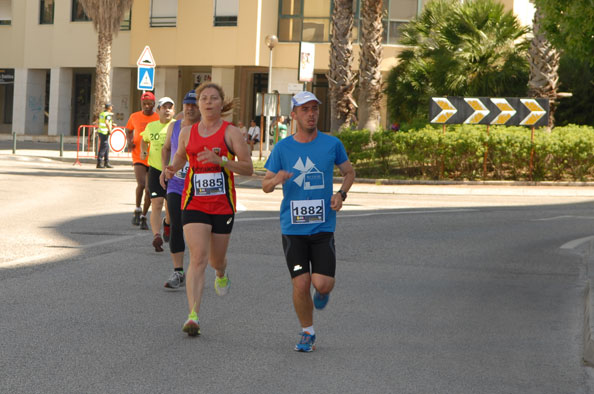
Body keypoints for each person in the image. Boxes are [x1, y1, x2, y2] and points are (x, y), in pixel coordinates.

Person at [262, 91, 355, 352]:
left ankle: (323, 292)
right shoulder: (282, 148)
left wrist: (341, 194)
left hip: (323, 225)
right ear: (294, 115)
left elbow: (349, 172)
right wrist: (276, 179)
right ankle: (307, 331)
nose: (311, 113)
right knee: (301, 282)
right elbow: (265, 186)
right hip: (293, 228)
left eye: (314, 108)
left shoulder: (331, 144)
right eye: (305, 109)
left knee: (321, 283)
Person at [163, 82, 253, 337]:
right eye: (203, 98)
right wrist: (171, 168)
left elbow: (247, 168)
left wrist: (222, 161)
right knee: (199, 257)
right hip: (194, 201)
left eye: (213, 98)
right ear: (198, 103)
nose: (208, 102)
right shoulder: (187, 133)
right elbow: (181, 156)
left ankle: (222, 273)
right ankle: (193, 315)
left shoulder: (231, 132)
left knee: (216, 260)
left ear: (221, 104)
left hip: (222, 204)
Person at [159, 90, 200, 289]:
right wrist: (163, 169)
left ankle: (198, 268)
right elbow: (166, 148)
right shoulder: (174, 127)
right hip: (176, 183)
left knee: (194, 229)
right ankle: (178, 272)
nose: (190, 108)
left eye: (194, 104)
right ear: (183, 106)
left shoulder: (205, 129)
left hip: (198, 187)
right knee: (176, 224)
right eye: (187, 104)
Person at [141, 97, 175, 252]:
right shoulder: (151, 126)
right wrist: (143, 150)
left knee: (170, 206)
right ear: (158, 110)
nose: (167, 109)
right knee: (157, 203)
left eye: (170, 107)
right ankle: (156, 235)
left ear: (173, 111)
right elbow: (144, 139)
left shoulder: (177, 126)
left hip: (173, 170)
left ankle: (167, 223)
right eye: (164, 107)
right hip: (155, 169)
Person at [125, 92, 159, 230]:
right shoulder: (134, 116)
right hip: (139, 155)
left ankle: (144, 216)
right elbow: (128, 130)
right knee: (141, 183)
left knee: (149, 189)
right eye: (144, 104)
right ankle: (137, 209)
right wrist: (129, 141)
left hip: (153, 157)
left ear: (154, 104)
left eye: (149, 104)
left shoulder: (158, 118)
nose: (146, 106)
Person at [96, 103, 113, 168]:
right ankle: (99, 163)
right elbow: (106, 123)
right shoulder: (108, 114)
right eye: (111, 107)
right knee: (103, 148)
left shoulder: (102, 114)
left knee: (106, 147)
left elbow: (98, 121)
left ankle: (106, 162)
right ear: (109, 108)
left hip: (101, 132)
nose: (112, 108)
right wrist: (110, 131)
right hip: (105, 132)